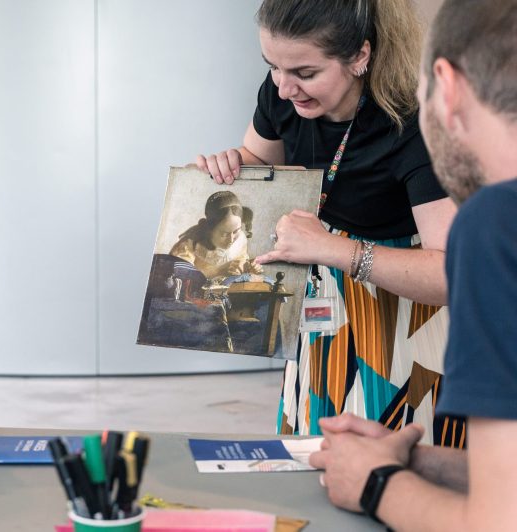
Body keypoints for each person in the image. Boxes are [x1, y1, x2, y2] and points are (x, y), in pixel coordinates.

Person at [195, 0, 461, 444]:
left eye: (304, 73)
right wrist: (233, 164)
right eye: (272, 67)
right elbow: (263, 158)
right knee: (312, 450)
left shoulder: (415, 122)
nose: (283, 88)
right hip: (323, 302)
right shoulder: (283, 93)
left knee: (391, 463)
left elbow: (451, 274)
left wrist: (334, 250)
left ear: (360, 56)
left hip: (406, 311)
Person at [309, 0, 517, 528]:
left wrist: (376, 484)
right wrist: (418, 463)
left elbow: (495, 522)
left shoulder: (495, 225)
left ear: (444, 86)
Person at [169, 191, 263, 280]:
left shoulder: (240, 241)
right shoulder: (190, 245)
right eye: (224, 234)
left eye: (236, 231)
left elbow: (241, 262)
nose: (231, 239)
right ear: (211, 229)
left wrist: (249, 269)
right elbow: (177, 275)